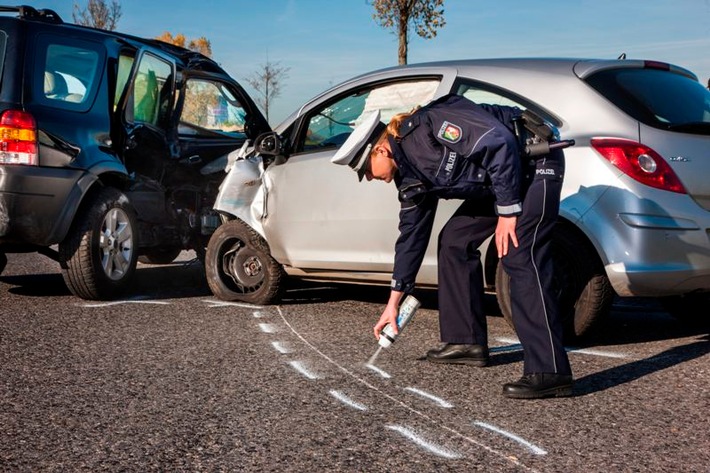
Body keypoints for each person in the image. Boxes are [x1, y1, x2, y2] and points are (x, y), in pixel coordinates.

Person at [331, 94, 573, 399]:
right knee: (454, 242)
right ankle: (466, 341)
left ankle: (550, 370)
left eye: (365, 169)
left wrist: (508, 212)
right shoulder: (409, 177)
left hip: (532, 163)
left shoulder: (429, 127)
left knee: (519, 254)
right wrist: (393, 303)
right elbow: (411, 239)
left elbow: (498, 143)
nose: (367, 177)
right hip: (499, 183)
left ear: (380, 149)